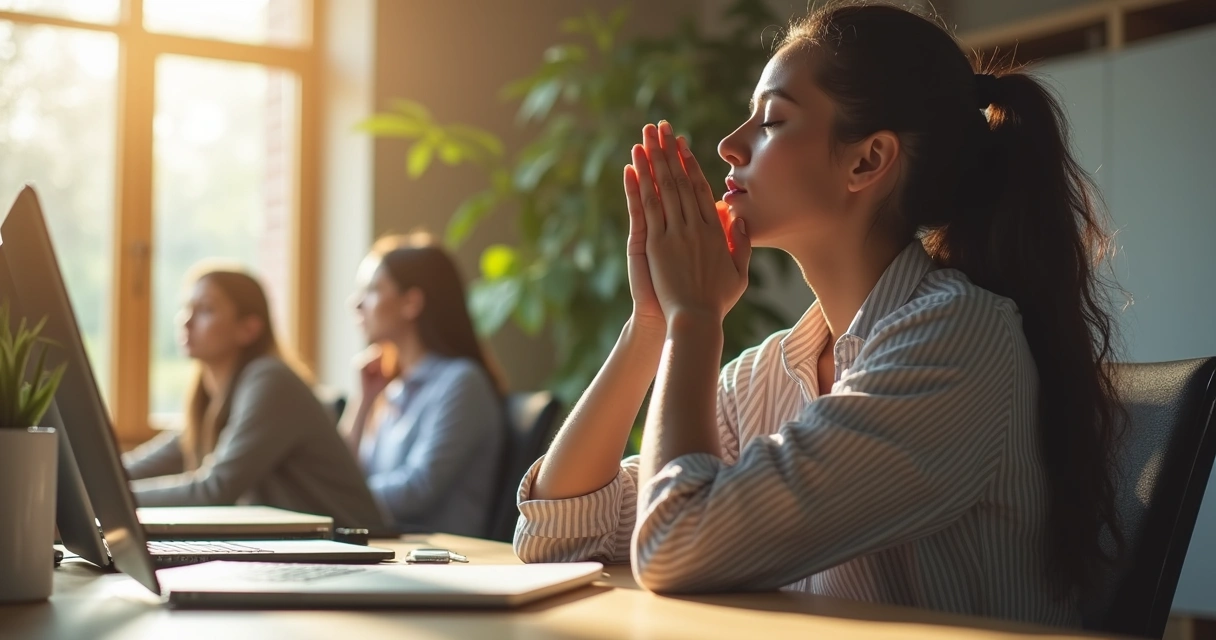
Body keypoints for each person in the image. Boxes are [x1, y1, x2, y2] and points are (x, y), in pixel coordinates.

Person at [513, 2, 1124, 627]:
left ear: (867, 161)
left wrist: (695, 317)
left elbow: (673, 548)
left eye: (772, 120)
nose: (729, 144)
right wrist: (653, 324)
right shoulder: (766, 376)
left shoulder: (962, 338)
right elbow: (560, 537)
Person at [123, 266, 385, 530]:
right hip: (301, 549)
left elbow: (215, 490)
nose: (186, 320)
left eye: (205, 310)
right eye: (187, 307)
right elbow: (152, 460)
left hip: (358, 546)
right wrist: (94, 485)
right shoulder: (212, 396)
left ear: (248, 329)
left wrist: (112, 501)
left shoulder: (271, 381)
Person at [341, 233, 506, 537]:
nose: (357, 303)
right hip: (391, 551)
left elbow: (418, 489)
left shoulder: (461, 383)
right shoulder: (392, 388)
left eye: (374, 290)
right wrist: (363, 401)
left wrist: (336, 497)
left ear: (411, 302)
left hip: (443, 563)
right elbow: (344, 472)